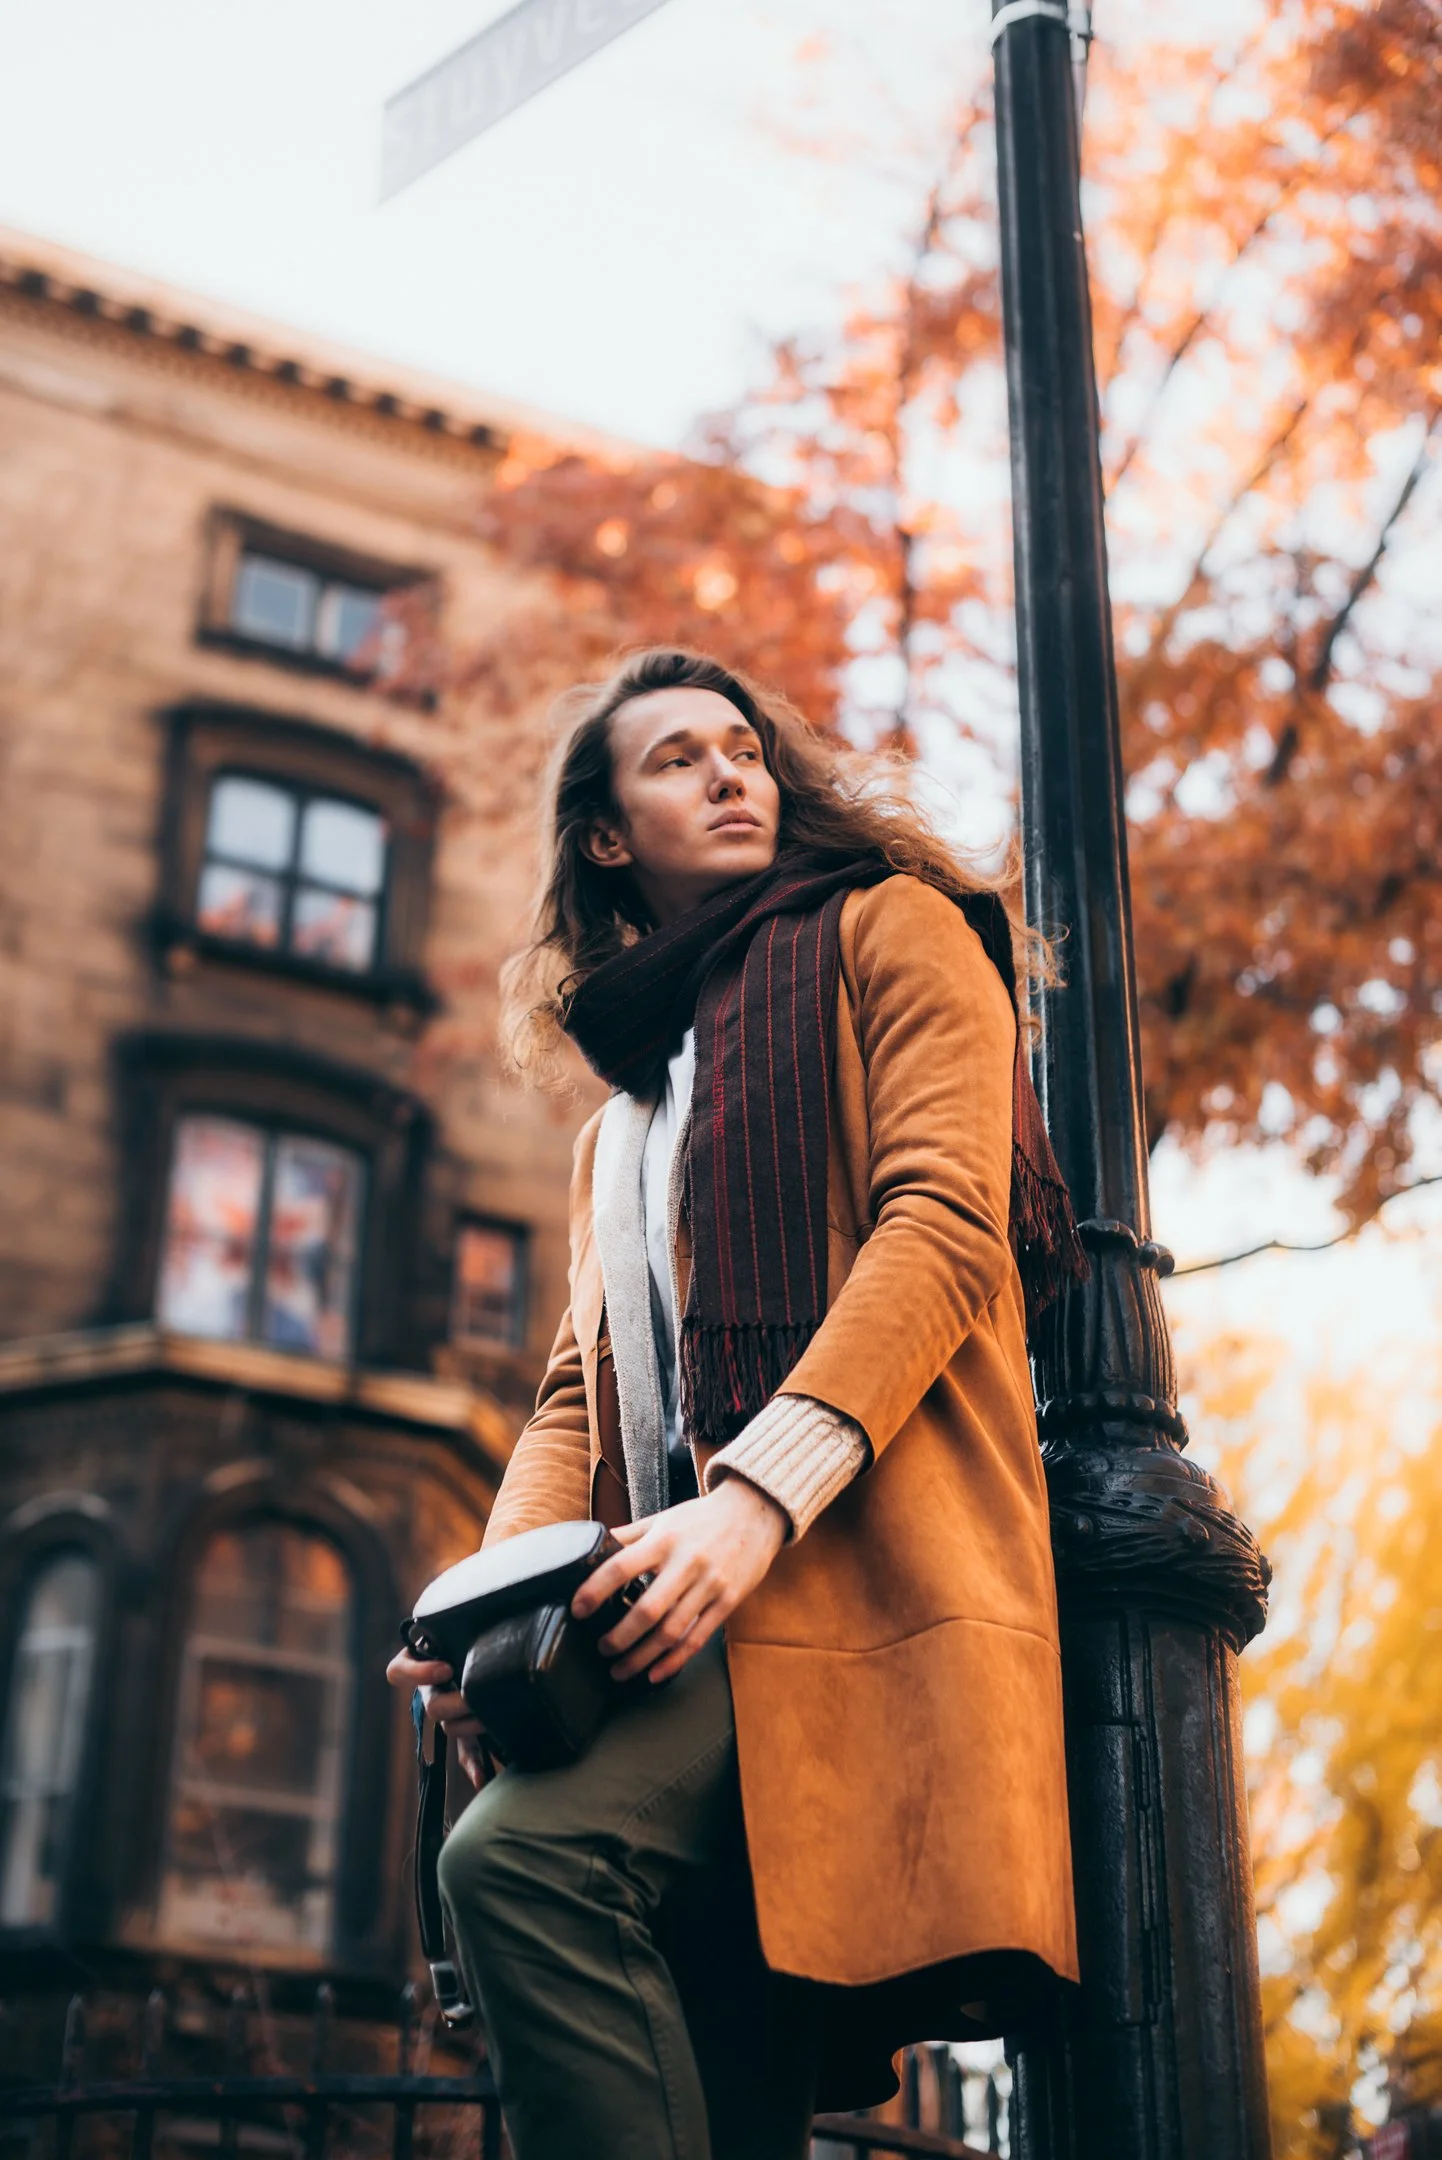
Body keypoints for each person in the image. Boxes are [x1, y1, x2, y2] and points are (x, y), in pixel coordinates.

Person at [387, 647, 1082, 2160]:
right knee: (727, 2071)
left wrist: (753, 1500)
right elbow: (580, 1389)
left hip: (846, 1581)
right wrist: (487, 1620)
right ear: (604, 836)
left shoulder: (893, 932)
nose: (731, 773)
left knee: (518, 1867)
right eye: (679, 759)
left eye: (746, 750)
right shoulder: (623, 1119)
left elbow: (945, 1229)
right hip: (669, 1616)